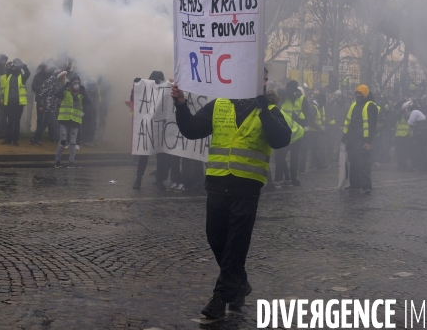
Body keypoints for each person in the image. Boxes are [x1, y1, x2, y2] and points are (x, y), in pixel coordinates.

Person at [170, 68, 291, 319]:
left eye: (264, 80)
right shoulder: (220, 105)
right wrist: (181, 105)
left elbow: (281, 139)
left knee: (236, 243)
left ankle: (220, 298)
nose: (261, 83)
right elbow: (192, 130)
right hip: (217, 184)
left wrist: (263, 109)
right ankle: (240, 282)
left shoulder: (269, 110)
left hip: (247, 187)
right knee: (216, 239)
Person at [132, 71, 170, 190]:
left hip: (158, 127)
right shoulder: (147, 90)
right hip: (150, 127)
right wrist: (136, 87)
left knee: (157, 156)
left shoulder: (165, 91)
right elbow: (135, 99)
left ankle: (142, 179)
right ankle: (145, 179)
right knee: (150, 155)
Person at [341, 85, 378, 193]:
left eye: (360, 93)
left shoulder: (371, 106)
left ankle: (366, 186)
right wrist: (345, 136)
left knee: (363, 163)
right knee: (353, 162)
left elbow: (372, 125)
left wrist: (368, 141)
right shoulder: (353, 105)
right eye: (356, 93)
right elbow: (348, 122)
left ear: (365, 94)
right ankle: (354, 184)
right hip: (352, 138)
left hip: (363, 139)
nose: (358, 95)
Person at [278, 80, 312, 185]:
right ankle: (292, 178)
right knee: (292, 157)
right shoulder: (285, 95)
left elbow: (306, 115)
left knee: (281, 156)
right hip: (295, 132)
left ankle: (289, 177)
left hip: (287, 131)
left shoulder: (298, 97)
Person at [54, 75, 89, 168]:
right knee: (63, 140)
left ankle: (71, 162)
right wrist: (65, 86)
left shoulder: (81, 94)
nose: (76, 84)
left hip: (75, 120)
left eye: (78, 83)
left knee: (73, 142)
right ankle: (57, 162)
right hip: (64, 119)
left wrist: (84, 91)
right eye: (74, 83)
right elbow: (56, 93)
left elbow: (89, 102)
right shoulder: (66, 92)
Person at [0, 59, 31, 146]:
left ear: (18, 68)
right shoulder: (9, 76)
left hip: (18, 103)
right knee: (9, 121)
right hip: (9, 102)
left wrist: (23, 65)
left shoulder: (22, 77)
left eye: (15, 66)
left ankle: (15, 140)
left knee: (16, 122)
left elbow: (28, 73)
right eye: (13, 66)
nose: (13, 68)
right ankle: (8, 139)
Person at [30, 68, 62, 146]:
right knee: (54, 124)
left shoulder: (56, 82)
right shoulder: (49, 82)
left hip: (52, 105)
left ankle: (34, 138)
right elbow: (41, 93)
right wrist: (41, 105)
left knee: (44, 124)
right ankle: (60, 141)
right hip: (48, 106)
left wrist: (57, 104)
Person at [407, 102, 427, 172]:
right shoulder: (419, 112)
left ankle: (422, 165)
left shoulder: (414, 112)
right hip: (423, 133)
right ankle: (426, 165)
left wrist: (407, 119)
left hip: (419, 133)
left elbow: (410, 122)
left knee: (419, 150)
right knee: (422, 150)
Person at [31, 62, 52, 140]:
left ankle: (51, 135)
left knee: (50, 117)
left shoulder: (51, 76)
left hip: (49, 99)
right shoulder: (37, 76)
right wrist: (41, 89)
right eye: (47, 66)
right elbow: (33, 87)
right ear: (44, 67)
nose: (49, 67)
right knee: (40, 117)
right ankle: (38, 135)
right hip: (40, 99)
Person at [394, 101, 413, 171]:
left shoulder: (404, 113)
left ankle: (403, 165)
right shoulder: (402, 113)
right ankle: (401, 165)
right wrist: (402, 111)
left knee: (404, 151)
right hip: (402, 135)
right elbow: (398, 118)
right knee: (402, 151)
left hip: (404, 134)